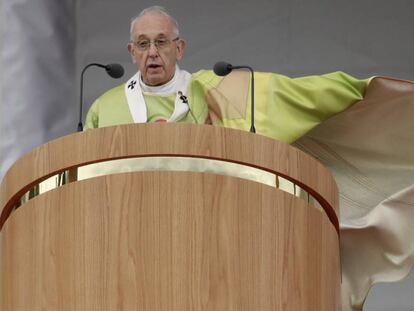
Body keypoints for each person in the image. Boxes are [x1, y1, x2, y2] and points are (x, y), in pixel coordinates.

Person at [84, 5, 367, 144]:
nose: (153, 52)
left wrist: (361, 90)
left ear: (179, 48)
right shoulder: (105, 107)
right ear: (132, 52)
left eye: (162, 42)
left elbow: (290, 97)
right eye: (143, 44)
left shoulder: (213, 91)